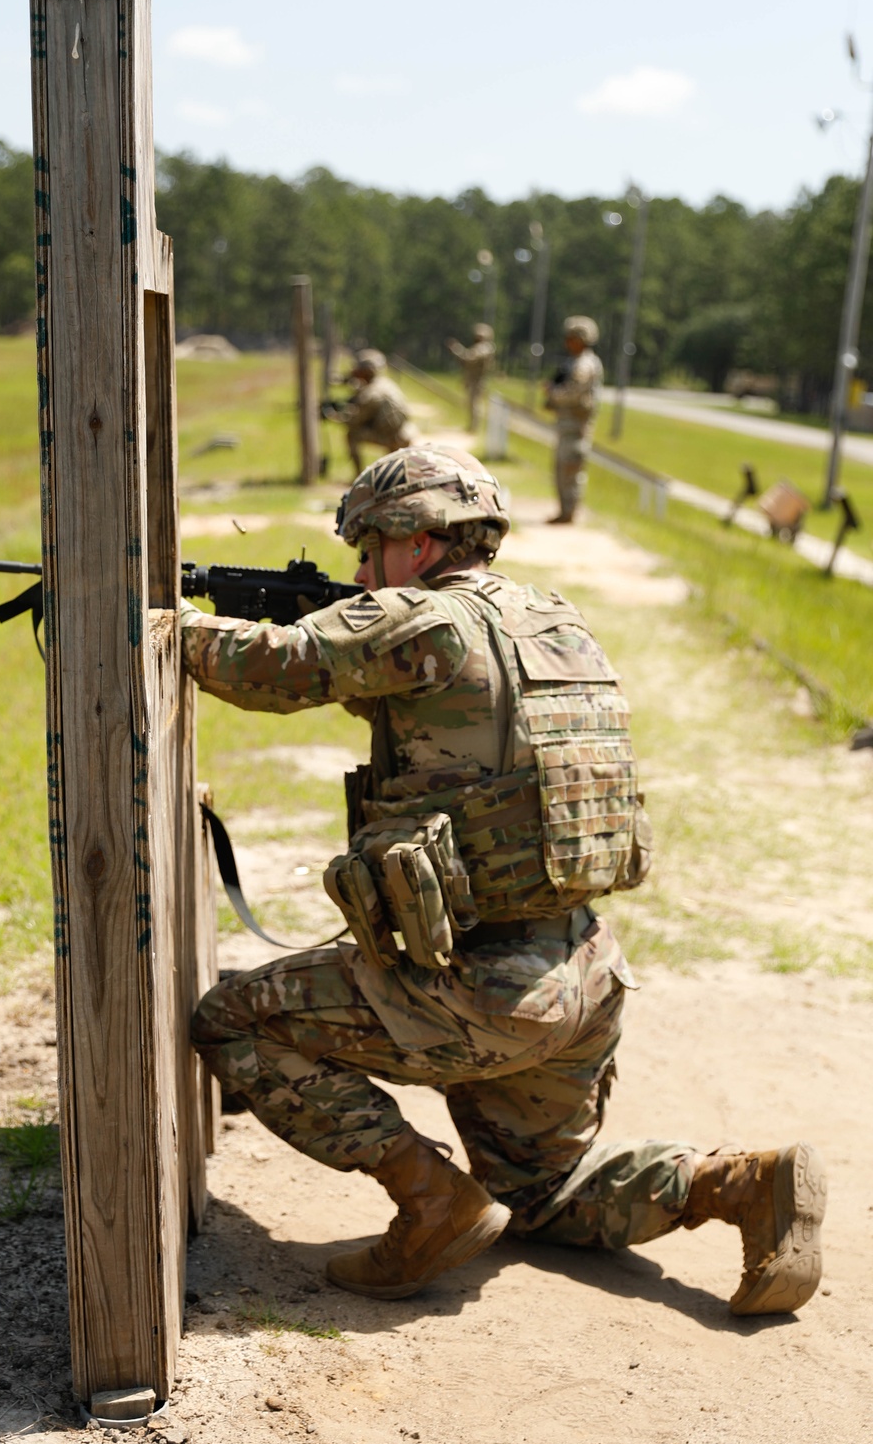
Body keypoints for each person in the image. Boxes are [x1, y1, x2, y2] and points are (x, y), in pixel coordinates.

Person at [180, 446, 826, 1311]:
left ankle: (430, 1197)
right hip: (583, 974)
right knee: (548, 1191)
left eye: (369, 547)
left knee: (231, 1021)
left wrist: (165, 625)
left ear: (417, 540)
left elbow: (278, 667)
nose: (362, 572)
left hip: (479, 992)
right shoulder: (552, 621)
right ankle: (738, 1183)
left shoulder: (426, 619)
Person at [545, 316, 603, 524]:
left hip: (576, 427)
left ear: (581, 339)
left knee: (570, 469)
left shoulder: (584, 364)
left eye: (571, 337)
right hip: (569, 425)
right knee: (563, 469)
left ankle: (568, 513)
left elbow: (573, 392)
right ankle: (565, 511)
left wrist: (553, 393)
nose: (567, 341)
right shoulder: (575, 362)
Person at [322, 349, 417, 477]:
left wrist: (333, 415)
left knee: (352, 435)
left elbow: (354, 421)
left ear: (365, 371)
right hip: (407, 432)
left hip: (392, 436)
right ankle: (394, 473)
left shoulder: (370, 393)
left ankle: (358, 476)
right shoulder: (386, 384)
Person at [446, 324, 495, 433]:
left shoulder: (484, 348)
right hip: (474, 379)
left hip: (477, 380)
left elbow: (469, 358)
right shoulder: (483, 347)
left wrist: (456, 348)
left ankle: (473, 428)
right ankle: (472, 426)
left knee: (475, 404)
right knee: (471, 403)